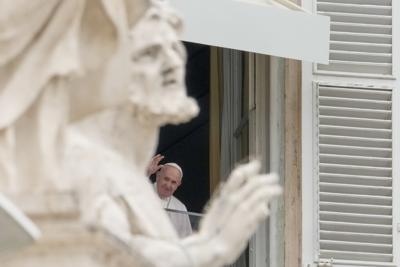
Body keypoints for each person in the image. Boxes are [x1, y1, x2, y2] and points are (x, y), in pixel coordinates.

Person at [147, 155, 192, 237]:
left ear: (178, 184)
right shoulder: (144, 191)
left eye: (173, 182)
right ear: (158, 176)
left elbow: (186, 238)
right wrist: (147, 173)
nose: (168, 185)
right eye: (166, 179)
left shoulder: (180, 208)